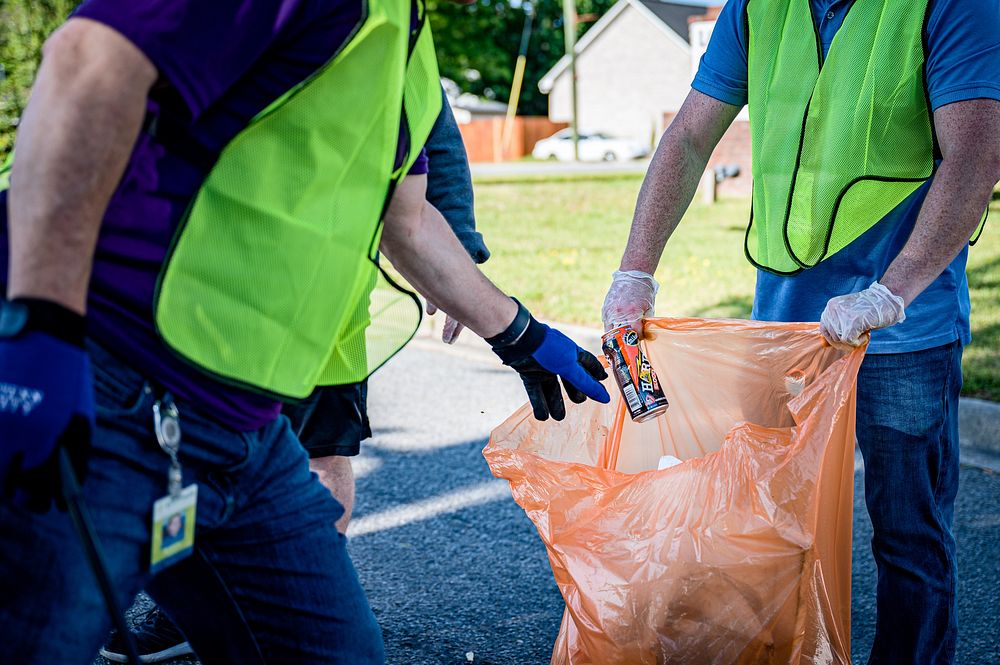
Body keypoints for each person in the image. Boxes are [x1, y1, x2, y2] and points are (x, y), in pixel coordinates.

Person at [0, 2, 609, 664]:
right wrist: (43, 325)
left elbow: (407, 217)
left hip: (246, 430)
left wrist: (519, 332)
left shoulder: (404, 25)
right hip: (113, 382)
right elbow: (86, 65)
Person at [602, 1, 999, 663]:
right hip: (785, 327)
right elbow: (691, 136)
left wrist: (891, 291)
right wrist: (635, 269)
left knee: (909, 536)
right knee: (770, 523)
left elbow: (978, 152)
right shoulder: (760, 7)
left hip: (899, 328)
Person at [99, 88, 488, 664]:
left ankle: (302, 604)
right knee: (190, 452)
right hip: (209, 294)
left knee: (320, 453)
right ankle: (195, 601)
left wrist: (458, 260)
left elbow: (434, 141)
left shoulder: (401, 27)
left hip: (323, 298)